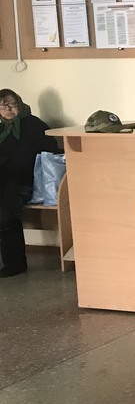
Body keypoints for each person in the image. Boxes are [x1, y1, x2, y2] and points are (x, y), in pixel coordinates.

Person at [0, 89, 59, 277]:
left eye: (11, 103)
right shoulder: (1, 129)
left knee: (5, 212)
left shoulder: (34, 125)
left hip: (24, 182)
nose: (7, 108)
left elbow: (48, 155)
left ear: (19, 104)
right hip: (4, 181)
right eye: (1, 105)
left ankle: (15, 263)